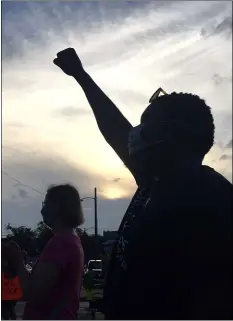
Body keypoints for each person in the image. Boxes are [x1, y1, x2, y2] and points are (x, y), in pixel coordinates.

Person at [53, 48, 232, 319]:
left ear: (173, 137)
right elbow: (115, 129)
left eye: (145, 126)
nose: (135, 134)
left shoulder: (211, 200)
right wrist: (80, 75)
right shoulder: (156, 182)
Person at [7, 184, 85, 320]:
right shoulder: (72, 240)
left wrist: (17, 260)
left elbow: (33, 293)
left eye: (46, 203)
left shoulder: (61, 243)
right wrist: (23, 269)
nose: (42, 210)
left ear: (59, 207)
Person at [1, 243, 22, 320]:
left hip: (8, 289)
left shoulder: (8, 262)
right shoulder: (10, 262)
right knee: (9, 309)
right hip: (10, 289)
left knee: (8, 309)